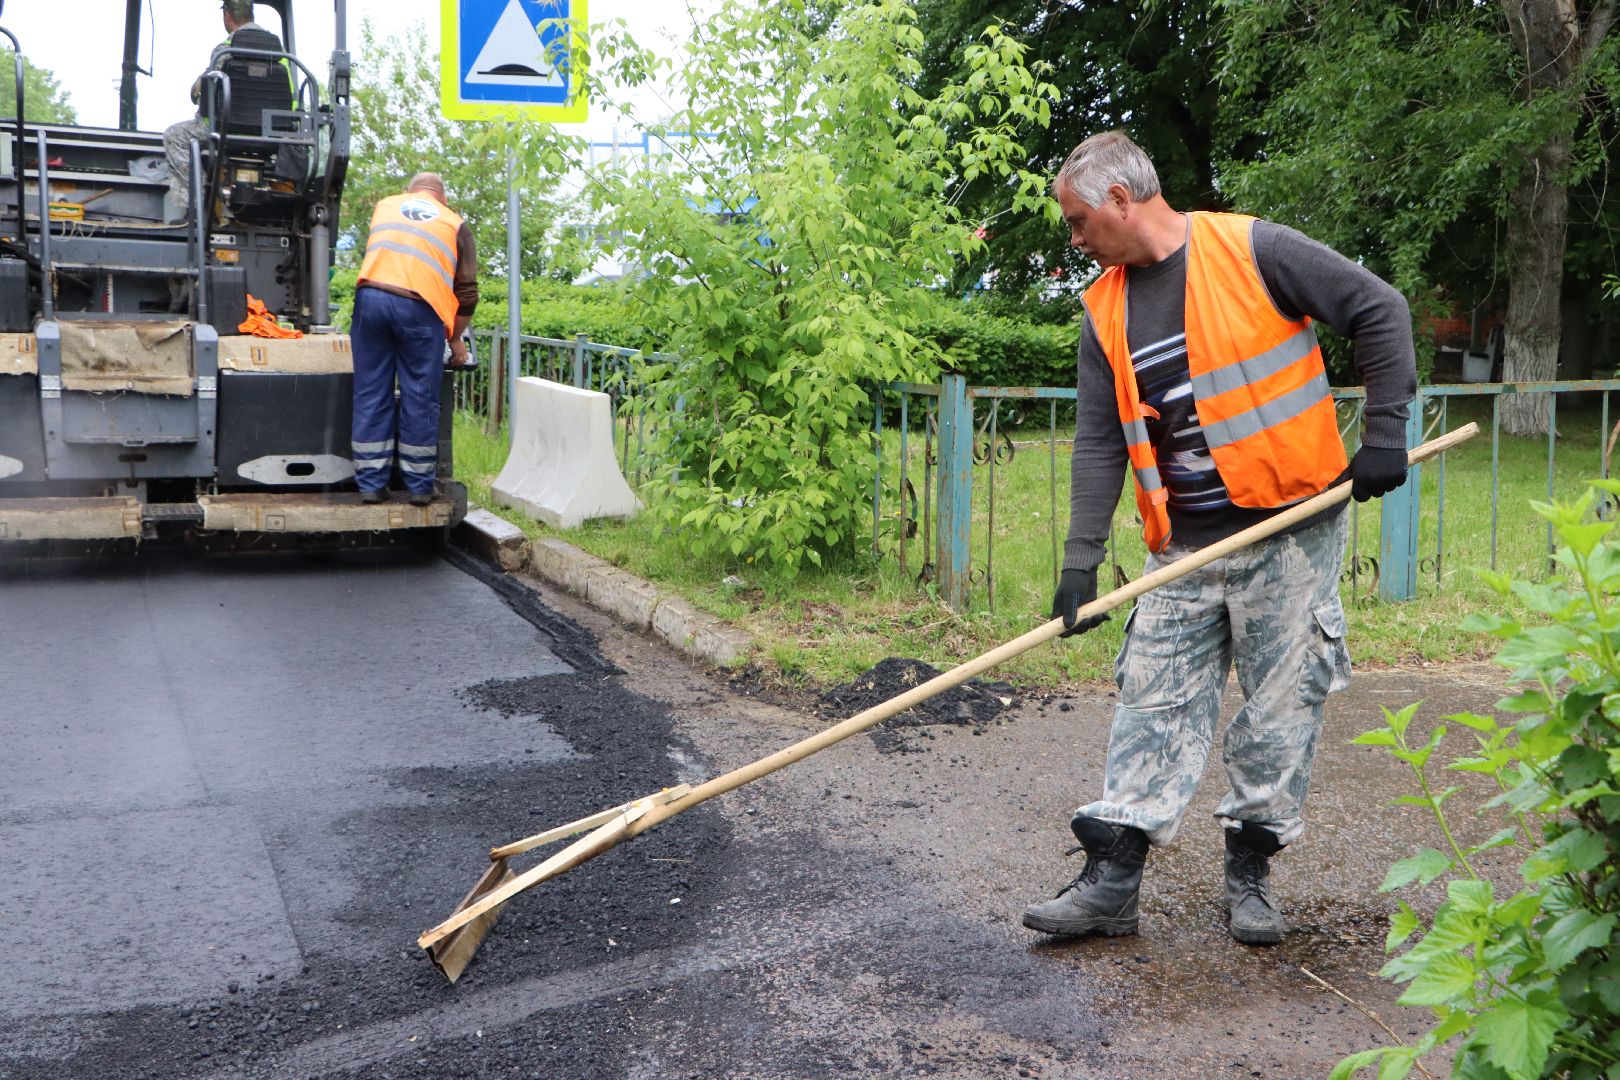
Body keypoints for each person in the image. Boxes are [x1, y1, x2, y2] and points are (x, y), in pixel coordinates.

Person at [1021, 131, 1417, 946]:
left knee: (1278, 716)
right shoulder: (1104, 309)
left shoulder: (1254, 250)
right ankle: (1111, 884)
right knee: (1151, 704)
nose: (1075, 238)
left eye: (1078, 221)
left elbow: (1380, 308)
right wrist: (1080, 564)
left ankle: (1251, 876)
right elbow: (1100, 441)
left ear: (1122, 202)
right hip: (1183, 549)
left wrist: (1385, 432)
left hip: (1290, 533)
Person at [350, 173, 478, 506]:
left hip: (370, 302)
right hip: (420, 310)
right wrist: (457, 338)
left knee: (370, 391)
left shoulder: (385, 206)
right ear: (443, 198)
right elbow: (466, 293)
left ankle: (370, 485)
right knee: (419, 395)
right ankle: (419, 487)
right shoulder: (454, 224)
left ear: (410, 193)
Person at [162, 0, 288, 222]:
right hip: (272, 133)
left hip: (227, 130)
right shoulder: (281, 54)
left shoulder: (225, 50)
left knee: (175, 136)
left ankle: (199, 208)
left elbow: (204, 93)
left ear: (227, 16)